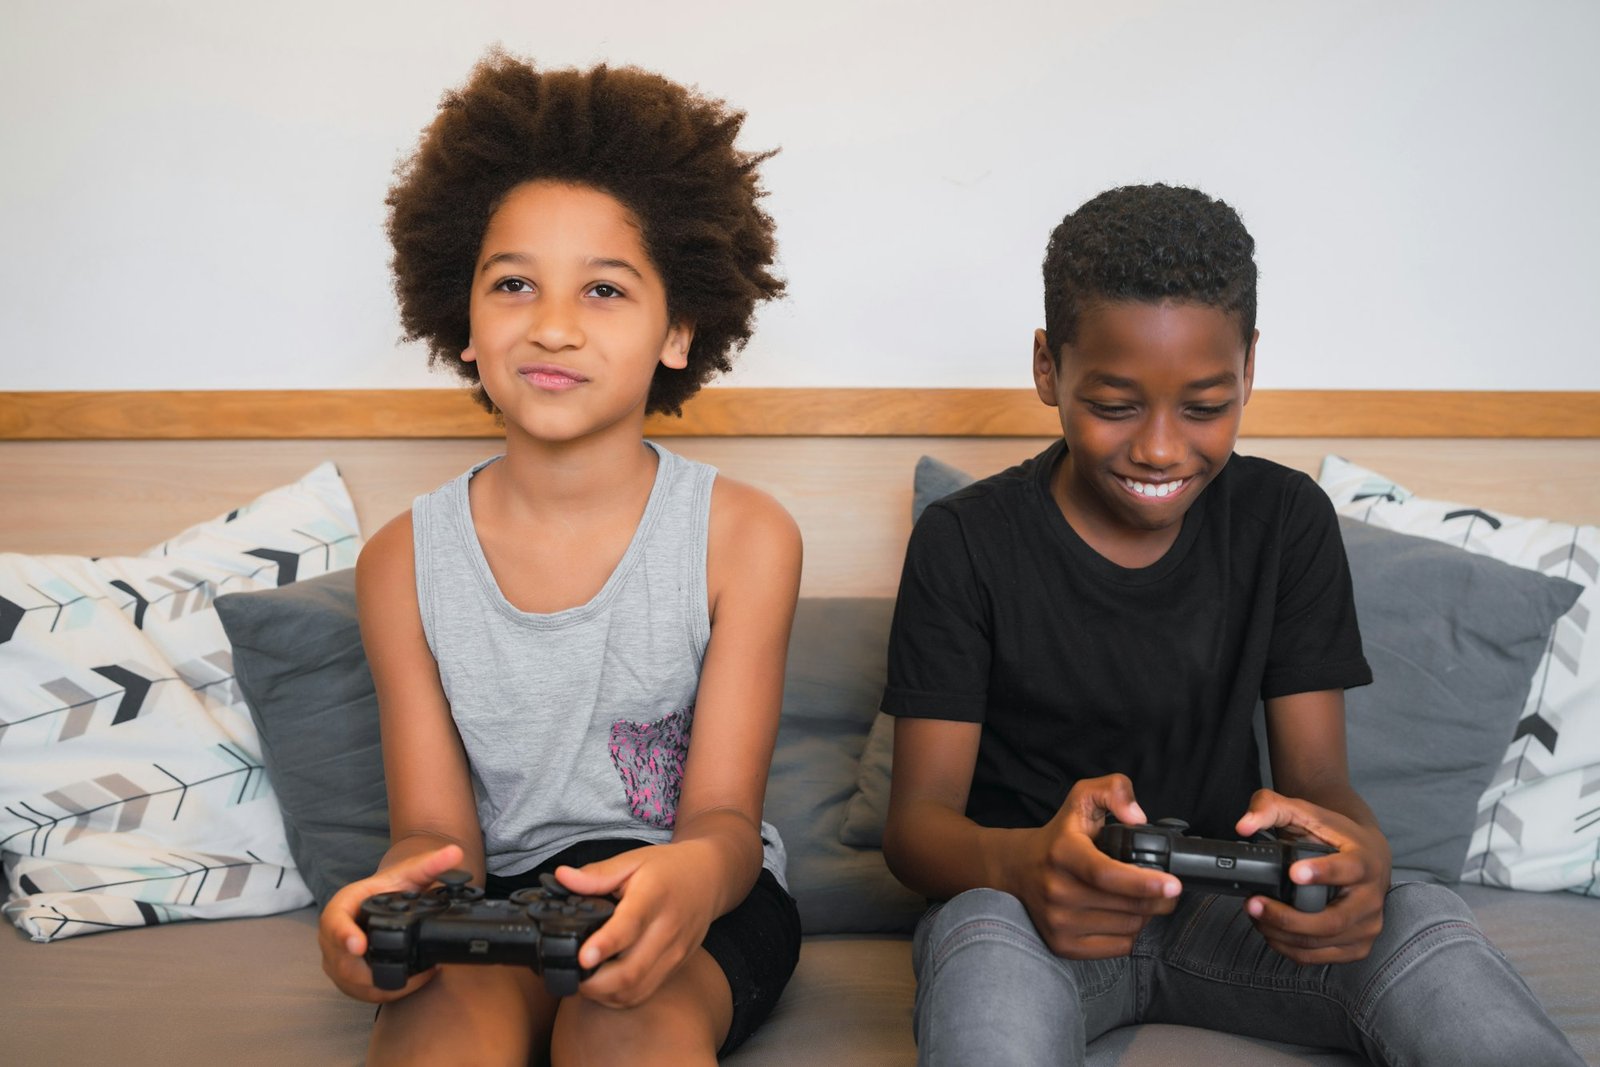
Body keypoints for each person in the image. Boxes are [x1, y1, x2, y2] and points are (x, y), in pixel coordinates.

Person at [879, 183, 1583, 1066]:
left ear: (1250, 366)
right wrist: (1026, 865)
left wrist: (1354, 859)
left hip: (1231, 915)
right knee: (977, 927)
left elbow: (1321, 783)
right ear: (1046, 369)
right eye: (1115, 404)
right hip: (1038, 916)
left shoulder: (1285, 522)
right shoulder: (966, 540)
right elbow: (917, 826)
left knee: (1424, 911)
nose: (1162, 448)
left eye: (1205, 406)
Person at [317, 52, 802, 1066]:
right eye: (514, 283)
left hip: (699, 893)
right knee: (442, 1043)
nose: (551, 324)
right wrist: (383, 912)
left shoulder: (745, 536)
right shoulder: (400, 561)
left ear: (678, 328)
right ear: (463, 322)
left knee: (625, 1031)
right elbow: (432, 835)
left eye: (605, 290)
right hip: (488, 900)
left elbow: (720, 816)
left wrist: (686, 881)